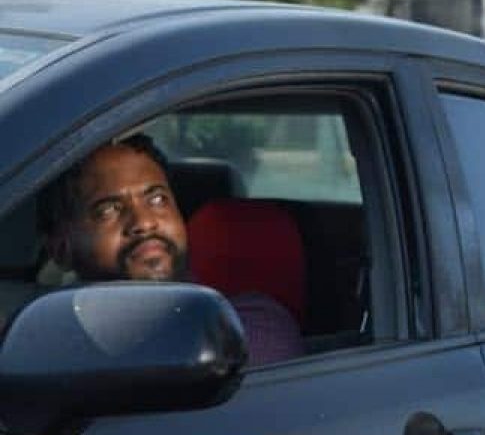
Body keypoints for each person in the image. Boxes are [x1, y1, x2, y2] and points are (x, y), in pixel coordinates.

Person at [37, 134, 304, 368]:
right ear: (61, 249)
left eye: (157, 199)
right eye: (108, 210)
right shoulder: (43, 340)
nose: (143, 222)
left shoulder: (250, 326)